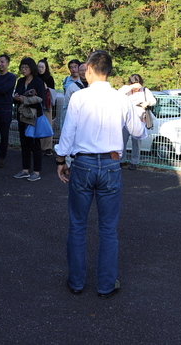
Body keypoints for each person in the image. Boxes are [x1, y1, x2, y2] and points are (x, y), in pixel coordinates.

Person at [55, 50, 146, 296]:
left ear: (92, 69)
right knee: (107, 229)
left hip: (82, 165)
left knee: (77, 225)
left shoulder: (79, 97)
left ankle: (76, 282)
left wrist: (61, 159)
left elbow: (68, 132)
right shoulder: (121, 99)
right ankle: (106, 285)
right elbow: (138, 132)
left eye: (85, 68)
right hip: (111, 164)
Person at [13, 57, 46, 181]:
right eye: (22, 67)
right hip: (22, 116)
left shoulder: (38, 82)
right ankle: (25, 169)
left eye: (26, 67)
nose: (23, 70)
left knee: (35, 145)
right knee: (24, 144)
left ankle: (37, 171)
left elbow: (40, 101)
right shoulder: (20, 81)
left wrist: (24, 100)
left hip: (33, 117)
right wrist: (16, 98)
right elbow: (15, 98)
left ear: (31, 68)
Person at [118, 74, 156, 170]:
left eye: (138, 85)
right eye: (134, 85)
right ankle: (121, 160)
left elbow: (153, 100)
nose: (137, 88)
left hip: (139, 119)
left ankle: (134, 161)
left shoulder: (145, 90)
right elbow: (118, 94)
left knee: (137, 142)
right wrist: (131, 87)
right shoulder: (126, 89)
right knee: (122, 141)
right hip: (125, 120)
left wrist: (148, 103)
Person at [37, 58, 57, 157]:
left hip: (47, 105)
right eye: (39, 67)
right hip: (36, 105)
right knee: (38, 125)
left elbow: (52, 91)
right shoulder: (34, 77)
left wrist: (46, 88)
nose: (40, 69)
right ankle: (38, 146)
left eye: (42, 67)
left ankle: (48, 147)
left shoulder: (49, 78)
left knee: (48, 125)